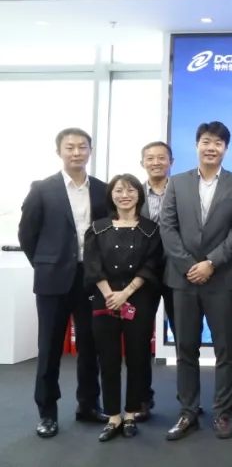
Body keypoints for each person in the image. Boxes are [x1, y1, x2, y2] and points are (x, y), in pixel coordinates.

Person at [159, 121, 232, 441]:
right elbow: (167, 228)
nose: (212, 148)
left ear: (226, 149)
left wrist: (211, 263)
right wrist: (190, 266)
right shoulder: (177, 182)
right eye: (206, 142)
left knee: (226, 349)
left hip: (222, 278)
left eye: (218, 143)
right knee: (186, 348)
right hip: (183, 279)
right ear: (197, 145)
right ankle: (188, 412)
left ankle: (222, 412)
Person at [19, 128, 108, 438]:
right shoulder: (42, 189)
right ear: (59, 152)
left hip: (90, 279)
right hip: (53, 279)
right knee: (49, 348)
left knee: (90, 346)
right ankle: (47, 413)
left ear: (90, 151)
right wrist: (44, 263)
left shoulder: (102, 190)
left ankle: (88, 405)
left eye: (82, 147)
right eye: (70, 147)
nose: (76, 152)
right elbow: (27, 234)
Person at [83, 174, 165, 442]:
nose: (125, 195)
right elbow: (93, 264)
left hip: (138, 299)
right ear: (111, 196)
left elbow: (151, 265)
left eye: (130, 190)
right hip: (104, 299)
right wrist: (111, 295)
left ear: (139, 195)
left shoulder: (151, 229)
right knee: (108, 360)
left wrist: (126, 293)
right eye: (119, 190)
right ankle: (113, 416)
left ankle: (130, 414)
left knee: (138, 359)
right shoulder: (97, 228)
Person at [140, 140, 173, 420]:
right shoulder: (131, 193)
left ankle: (188, 400)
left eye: (161, 158)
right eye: (150, 158)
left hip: (177, 271)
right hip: (143, 275)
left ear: (171, 162)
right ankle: (141, 399)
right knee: (140, 338)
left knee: (185, 338)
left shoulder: (183, 192)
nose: (156, 163)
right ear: (142, 163)